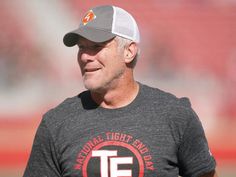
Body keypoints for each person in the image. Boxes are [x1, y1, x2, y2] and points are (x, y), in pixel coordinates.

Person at [23, 5, 217, 177]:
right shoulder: (56, 123)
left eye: (96, 46)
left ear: (129, 51)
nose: (85, 57)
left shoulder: (176, 115)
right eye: (82, 47)